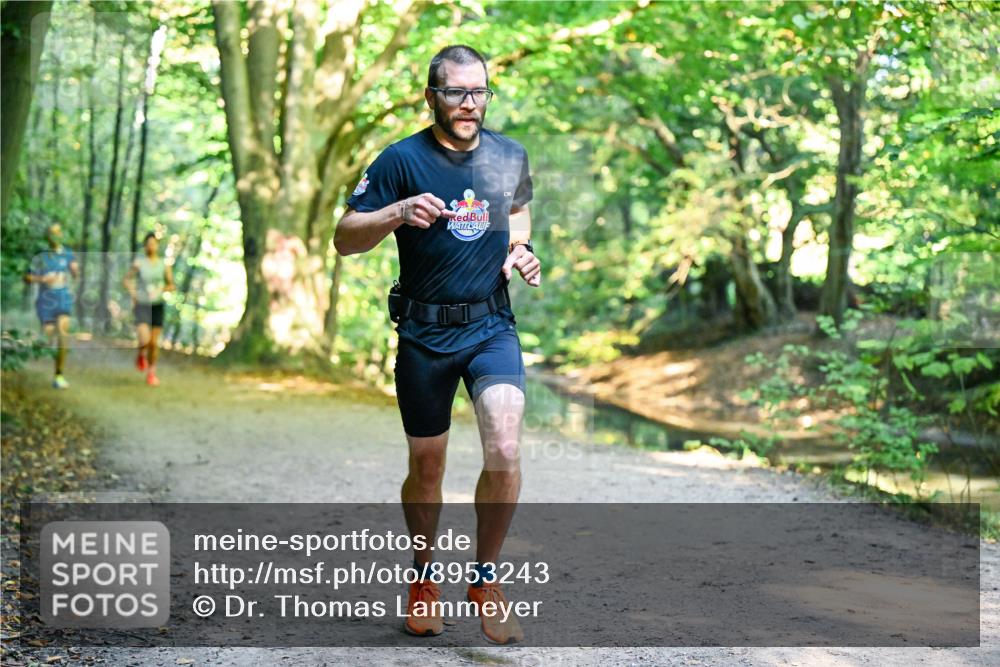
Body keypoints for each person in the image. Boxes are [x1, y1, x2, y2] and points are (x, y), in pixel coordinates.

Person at [335, 44, 540, 645]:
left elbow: (519, 210)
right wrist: (396, 211)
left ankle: (485, 577)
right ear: (432, 96)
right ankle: (423, 578)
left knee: (504, 440)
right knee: (427, 467)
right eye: (456, 92)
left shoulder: (509, 155)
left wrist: (518, 250)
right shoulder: (401, 160)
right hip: (424, 334)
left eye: (479, 92)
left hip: (490, 326)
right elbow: (345, 238)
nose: (469, 103)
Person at [24, 223, 79, 389]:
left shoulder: (68, 253)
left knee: (63, 335)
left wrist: (75, 271)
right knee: (49, 337)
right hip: (45, 302)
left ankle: (59, 375)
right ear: (47, 236)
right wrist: (42, 279)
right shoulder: (40, 256)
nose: (54, 236)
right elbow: (27, 277)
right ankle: (42, 344)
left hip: (62, 299)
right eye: (51, 233)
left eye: (57, 233)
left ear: (61, 235)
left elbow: (76, 274)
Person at [123, 232, 174, 387]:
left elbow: (171, 285)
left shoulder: (164, 265)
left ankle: (151, 373)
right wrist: (133, 294)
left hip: (157, 305)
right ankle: (140, 353)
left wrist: (162, 289)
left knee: (153, 343)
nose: (151, 246)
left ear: (157, 245)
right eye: (148, 244)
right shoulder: (139, 263)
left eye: (153, 243)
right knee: (144, 339)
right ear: (145, 246)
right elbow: (126, 280)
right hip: (142, 305)